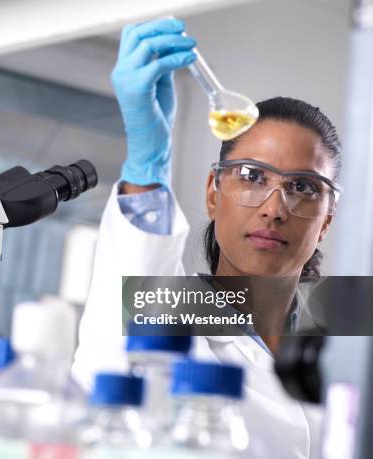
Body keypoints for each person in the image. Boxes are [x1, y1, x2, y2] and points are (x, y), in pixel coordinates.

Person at [72, 18, 342, 459]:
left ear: (327, 219)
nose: (274, 209)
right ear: (213, 195)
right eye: (251, 177)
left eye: (302, 187)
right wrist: (146, 170)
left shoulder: (343, 341)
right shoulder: (170, 314)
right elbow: (125, 313)